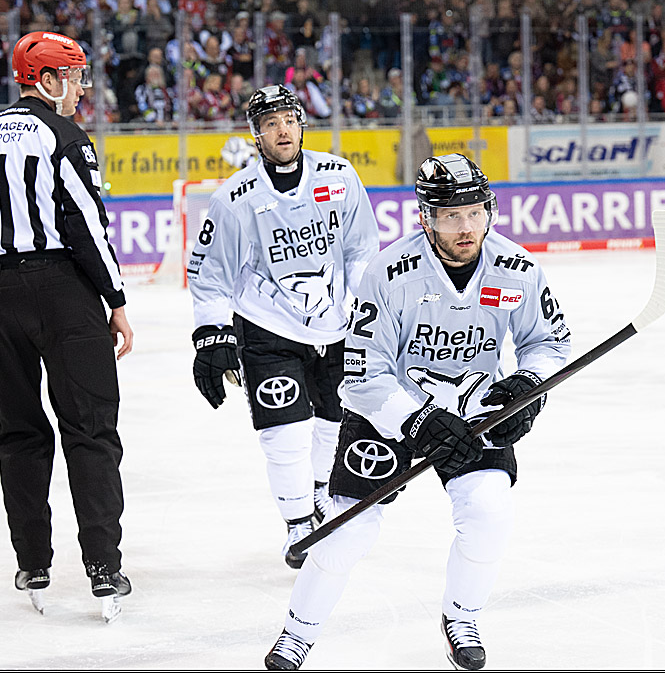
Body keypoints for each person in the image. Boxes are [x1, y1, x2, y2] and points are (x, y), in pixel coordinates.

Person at [264, 153, 573, 670]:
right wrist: (417, 419)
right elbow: (362, 374)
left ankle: (463, 616)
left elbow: (549, 343)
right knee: (347, 533)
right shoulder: (389, 273)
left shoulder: (518, 268)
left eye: (475, 212)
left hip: (477, 410)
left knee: (489, 511)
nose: (466, 226)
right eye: (452, 216)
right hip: (393, 412)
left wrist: (528, 385)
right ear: (425, 218)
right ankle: (298, 634)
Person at [0, 31, 134, 623]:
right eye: (75, 76)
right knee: (91, 430)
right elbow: (87, 228)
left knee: (18, 434)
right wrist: (117, 301)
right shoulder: (66, 138)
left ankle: (32, 562)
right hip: (63, 295)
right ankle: (103, 567)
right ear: (47, 81)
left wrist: (1, 280)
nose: (82, 87)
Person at [187, 84, 379, 569]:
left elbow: (360, 247)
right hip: (267, 326)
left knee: (333, 423)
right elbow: (209, 273)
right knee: (284, 430)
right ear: (256, 135)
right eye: (270, 123)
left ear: (301, 123)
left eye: (289, 119)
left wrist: (361, 305)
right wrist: (211, 335)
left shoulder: (339, 176)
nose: (283, 130)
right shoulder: (235, 196)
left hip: (336, 325)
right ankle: (298, 524)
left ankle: (317, 490)